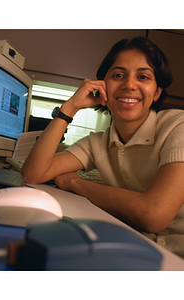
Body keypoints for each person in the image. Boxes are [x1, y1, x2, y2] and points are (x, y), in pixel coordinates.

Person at [21, 37, 184, 258]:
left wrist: (75, 183)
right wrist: (70, 107)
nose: (129, 85)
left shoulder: (178, 126)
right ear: (102, 86)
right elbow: (33, 173)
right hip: (138, 252)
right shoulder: (98, 142)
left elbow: (154, 215)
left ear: (156, 92)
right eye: (118, 75)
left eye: (143, 77)